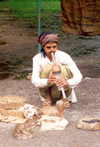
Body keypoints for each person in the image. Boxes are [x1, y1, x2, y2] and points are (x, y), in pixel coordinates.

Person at [31, 31, 82, 108]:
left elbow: (78, 76)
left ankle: (63, 97)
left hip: (65, 92)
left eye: (54, 47)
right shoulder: (37, 58)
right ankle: (48, 96)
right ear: (43, 47)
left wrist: (67, 82)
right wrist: (47, 81)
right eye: (48, 47)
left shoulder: (64, 56)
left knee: (62, 68)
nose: (52, 50)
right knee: (47, 67)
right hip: (46, 93)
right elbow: (34, 79)